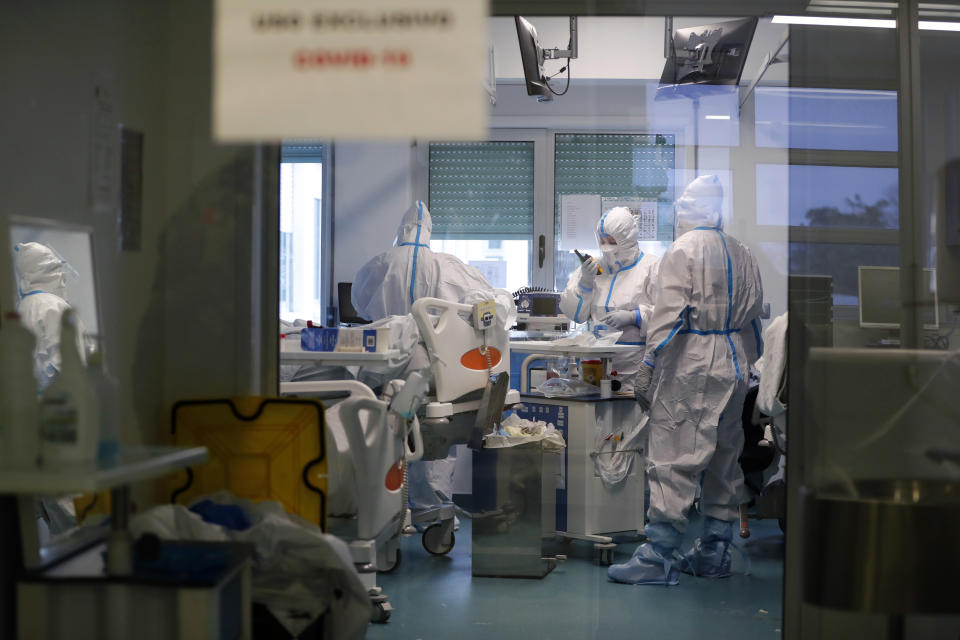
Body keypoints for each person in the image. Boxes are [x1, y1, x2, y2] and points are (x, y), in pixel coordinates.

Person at [608, 175, 764, 585]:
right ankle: (714, 550)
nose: (677, 207)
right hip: (734, 362)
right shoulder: (741, 250)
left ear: (698, 208)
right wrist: (753, 363)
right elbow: (754, 314)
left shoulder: (683, 250)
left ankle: (659, 555)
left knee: (674, 453)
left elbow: (667, 316)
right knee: (724, 456)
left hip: (692, 362)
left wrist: (649, 364)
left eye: (683, 201)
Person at [352, 200, 515, 528]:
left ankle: (382, 511)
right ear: (429, 232)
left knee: (383, 433)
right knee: (431, 436)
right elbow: (490, 304)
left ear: (400, 231)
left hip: (385, 366)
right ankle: (432, 511)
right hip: (433, 371)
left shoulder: (380, 263)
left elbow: (359, 304)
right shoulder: (450, 266)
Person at [559, 206, 660, 387]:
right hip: (593, 368)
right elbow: (575, 315)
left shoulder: (651, 268)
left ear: (627, 239)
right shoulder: (592, 268)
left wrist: (636, 317)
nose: (606, 246)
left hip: (634, 367)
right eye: (602, 240)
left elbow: (669, 316)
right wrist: (585, 284)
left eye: (612, 240)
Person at [14, 242, 87, 389]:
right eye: (56, 268)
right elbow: (70, 363)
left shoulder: (21, 307)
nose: (62, 276)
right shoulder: (54, 306)